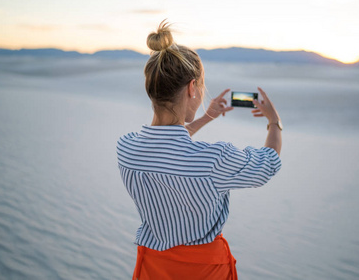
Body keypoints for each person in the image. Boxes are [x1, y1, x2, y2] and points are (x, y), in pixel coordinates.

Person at [116, 20, 283, 280]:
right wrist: (274, 121)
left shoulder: (126, 148)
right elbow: (268, 164)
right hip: (203, 271)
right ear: (192, 88)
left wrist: (205, 118)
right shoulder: (215, 160)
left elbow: (166, 147)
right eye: (201, 86)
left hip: (153, 268)